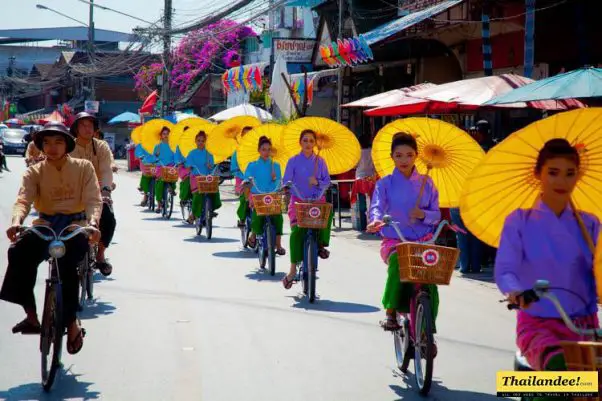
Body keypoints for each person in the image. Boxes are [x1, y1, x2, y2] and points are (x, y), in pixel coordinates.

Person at [496, 139, 599, 387]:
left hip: (585, 326)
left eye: (569, 173)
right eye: (553, 173)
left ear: (578, 176)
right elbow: (506, 269)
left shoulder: (591, 224)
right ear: (538, 174)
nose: (561, 181)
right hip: (539, 325)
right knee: (559, 372)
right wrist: (516, 291)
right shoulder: (519, 220)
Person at [0, 122, 101, 355]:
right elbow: (23, 200)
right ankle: (32, 316)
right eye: (47, 142)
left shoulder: (84, 167)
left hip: (75, 226)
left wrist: (93, 223)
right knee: (18, 253)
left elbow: (93, 200)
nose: (52, 147)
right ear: (41, 146)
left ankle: (72, 322)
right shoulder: (34, 171)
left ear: (67, 144)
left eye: (58, 142)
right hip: (45, 225)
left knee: (67, 268)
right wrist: (16, 221)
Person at [367, 133, 441, 332]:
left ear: (416, 155)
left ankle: (427, 330)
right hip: (395, 240)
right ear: (392, 157)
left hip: (424, 240)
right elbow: (377, 206)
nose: (404, 160)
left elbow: (437, 214)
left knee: (430, 281)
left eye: (409, 155)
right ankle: (391, 311)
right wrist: (375, 220)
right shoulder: (385, 184)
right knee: (398, 263)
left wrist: (424, 214)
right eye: (398, 155)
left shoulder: (428, 183)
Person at [281, 129, 333, 290]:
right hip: (299, 201)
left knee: (328, 212)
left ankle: (321, 245)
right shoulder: (293, 161)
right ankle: (291, 270)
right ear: (300, 142)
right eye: (305, 140)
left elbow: (327, 181)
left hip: (317, 200)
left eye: (311, 141)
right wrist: (287, 186)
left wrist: (317, 182)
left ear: (315, 143)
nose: (308, 143)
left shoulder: (321, 161)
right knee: (296, 232)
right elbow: (286, 180)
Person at [70, 112, 116, 276]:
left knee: (109, 219)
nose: (87, 128)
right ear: (75, 128)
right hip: (74, 193)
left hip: (97, 193)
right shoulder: (69, 146)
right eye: (83, 124)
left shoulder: (101, 146)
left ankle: (100, 254)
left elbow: (105, 169)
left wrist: (106, 190)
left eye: (90, 125)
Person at [244, 136, 286, 255]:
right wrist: (247, 181)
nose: (266, 152)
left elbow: (279, 181)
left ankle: (278, 245)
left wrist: (276, 178)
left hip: (272, 196)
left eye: (268, 149)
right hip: (258, 196)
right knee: (257, 216)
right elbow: (247, 177)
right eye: (263, 149)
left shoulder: (276, 165)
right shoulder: (252, 165)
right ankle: (253, 234)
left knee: (278, 217)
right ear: (259, 150)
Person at [185, 130, 222, 224]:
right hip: (196, 177)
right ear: (195, 141)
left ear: (205, 141)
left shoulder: (209, 153)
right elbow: (188, 165)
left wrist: (211, 166)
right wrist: (190, 166)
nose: (201, 142)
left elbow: (212, 166)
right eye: (199, 140)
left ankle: (211, 209)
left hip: (207, 177)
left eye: (203, 140)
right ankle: (193, 214)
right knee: (198, 195)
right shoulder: (192, 153)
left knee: (215, 190)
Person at [233, 126, 254, 227]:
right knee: (244, 200)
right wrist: (237, 168)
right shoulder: (238, 150)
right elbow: (234, 165)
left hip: (255, 180)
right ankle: (242, 218)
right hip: (242, 178)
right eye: (245, 134)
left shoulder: (257, 149)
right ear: (242, 136)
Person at [152, 126, 176, 214]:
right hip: (160, 166)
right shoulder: (157, 146)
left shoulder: (173, 146)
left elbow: (176, 156)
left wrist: (176, 163)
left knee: (173, 178)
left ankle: (171, 188)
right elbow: (153, 157)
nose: (166, 135)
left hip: (171, 166)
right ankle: (159, 204)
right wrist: (156, 156)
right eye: (164, 134)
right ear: (161, 135)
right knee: (159, 183)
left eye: (167, 134)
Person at [176, 127, 193, 212]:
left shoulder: (196, 144)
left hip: (196, 169)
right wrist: (180, 163)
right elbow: (177, 157)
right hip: (184, 168)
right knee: (188, 180)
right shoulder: (179, 146)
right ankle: (184, 197)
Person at [135, 142, 154, 206]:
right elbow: (138, 153)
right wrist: (140, 156)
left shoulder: (158, 141)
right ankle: (145, 195)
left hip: (157, 162)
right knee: (145, 175)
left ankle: (163, 199)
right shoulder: (141, 143)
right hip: (145, 163)